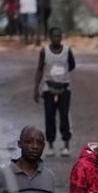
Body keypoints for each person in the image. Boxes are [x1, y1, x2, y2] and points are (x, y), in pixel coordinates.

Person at [34, 27, 75, 158]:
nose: (57, 38)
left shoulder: (67, 51)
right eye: (54, 36)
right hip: (48, 89)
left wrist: (61, 74)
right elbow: (40, 69)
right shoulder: (44, 52)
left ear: (61, 37)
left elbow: (72, 65)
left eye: (59, 36)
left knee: (64, 117)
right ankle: (50, 145)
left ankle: (66, 144)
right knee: (49, 117)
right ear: (50, 37)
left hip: (64, 88)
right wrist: (36, 88)